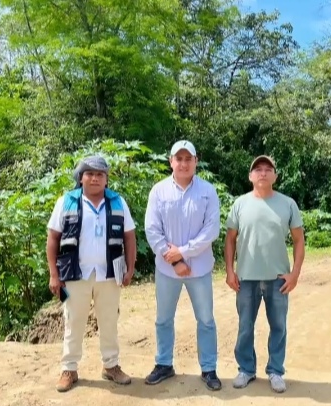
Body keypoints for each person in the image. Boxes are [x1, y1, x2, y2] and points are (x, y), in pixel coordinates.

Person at [46, 155, 137, 393]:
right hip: (74, 273)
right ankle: (69, 369)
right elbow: (53, 238)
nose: (94, 178)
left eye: (99, 174)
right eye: (89, 174)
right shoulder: (66, 201)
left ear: (106, 179)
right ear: (81, 178)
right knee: (73, 321)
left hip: (110, 273)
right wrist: (54, 274)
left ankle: (111, 365)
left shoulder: (117, 202)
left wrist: (130, 267)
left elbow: (129, 237)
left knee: (109, 321)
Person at [143, 140, 222, 391]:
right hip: (168, 269)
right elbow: (152, 229)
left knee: (206, 320)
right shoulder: (158, 191)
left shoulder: (208, 191)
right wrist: (176, 260)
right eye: (179, 158)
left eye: (189, 159)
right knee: (163, 319)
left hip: (200, 269)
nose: (184, 163)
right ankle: (164, 363)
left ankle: (209, 368)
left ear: (196, 162)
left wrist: (184, 251)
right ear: (171, 161)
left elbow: (211, 230)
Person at [224, 155, 305, 393]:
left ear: (275, 176)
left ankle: (276, 371)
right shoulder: (240, 204)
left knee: (278, 326)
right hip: (246, 278)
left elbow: (299, 240)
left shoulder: (287, 204)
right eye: (257, 169)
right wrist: (229, 270)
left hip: (278, 279)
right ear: (250, 176)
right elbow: (230, 239)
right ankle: (246, 369)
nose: (262, 173)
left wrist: (295, 274)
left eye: (268, 169)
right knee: (245, 326)